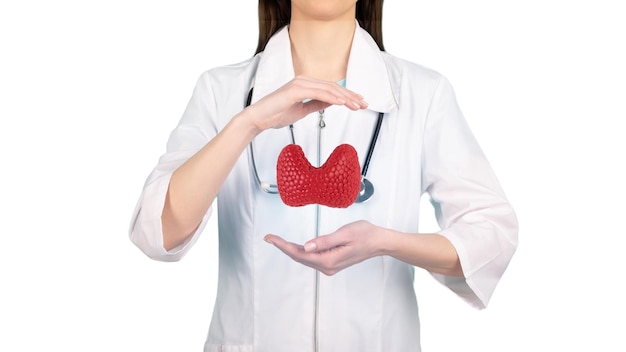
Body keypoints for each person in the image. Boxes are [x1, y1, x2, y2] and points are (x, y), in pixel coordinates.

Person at [129, 0, 518, 351]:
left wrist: (385, 242)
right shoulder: (221, 91)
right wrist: (247, 124)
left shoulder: (423, 94)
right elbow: (157, 231)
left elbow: (491, 236)